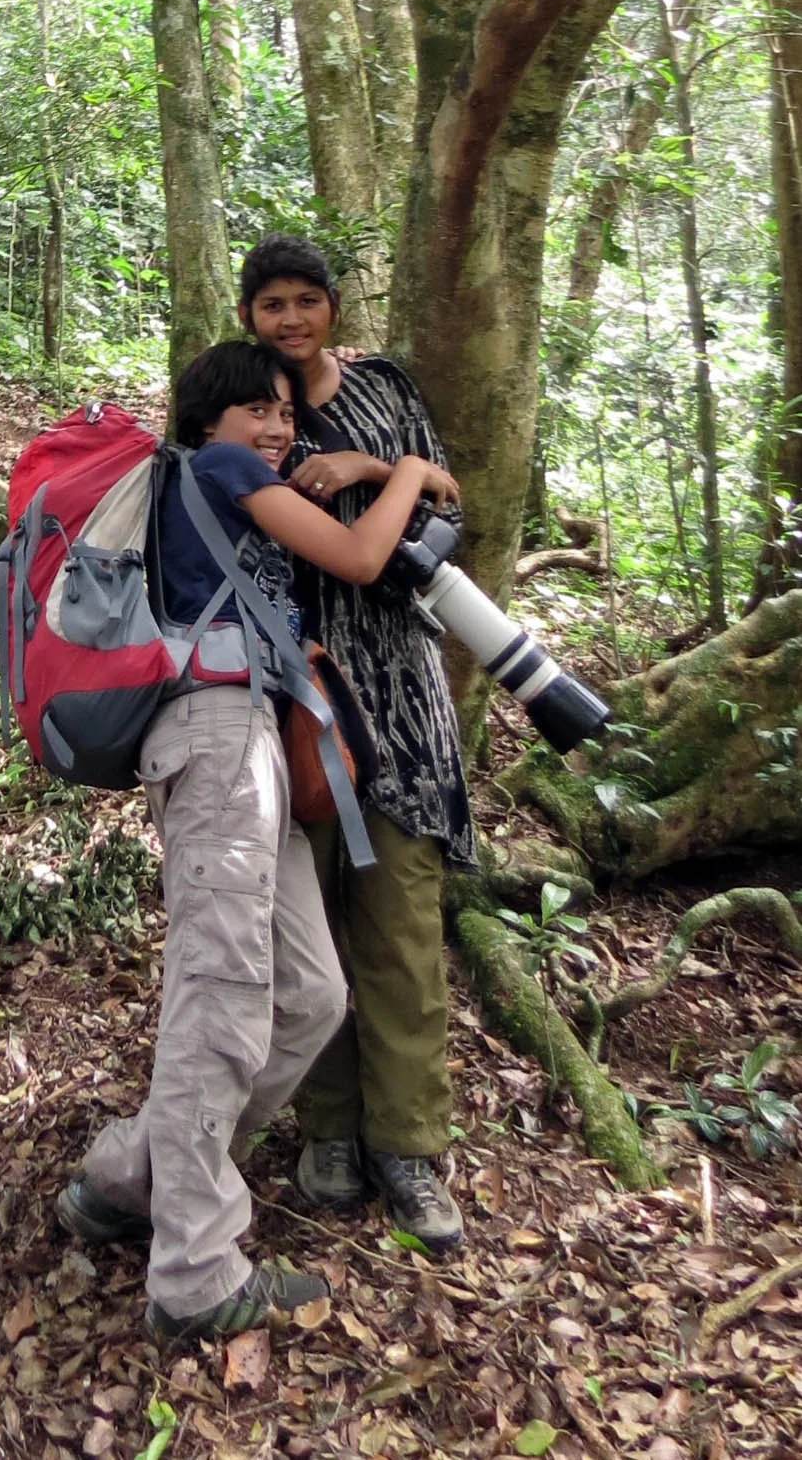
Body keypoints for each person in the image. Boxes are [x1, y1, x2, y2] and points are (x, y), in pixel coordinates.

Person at [56, 339, 457, 1345]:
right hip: (217, 737)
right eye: (256, 411)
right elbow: (363, 559)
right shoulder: (221, 468)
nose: (278, 427)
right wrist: (405, 466)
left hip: (251, 737)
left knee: (312, 992)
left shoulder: (221, 482)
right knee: (224, 989)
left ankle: (128, 1176)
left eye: (286, 411)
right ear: (209, 421)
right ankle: (193, 1274)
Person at [237, 233, 472, 1254]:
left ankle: (410, 1146)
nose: (290, 319)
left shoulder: (383, 387)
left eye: (306, 300)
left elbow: (449, 497)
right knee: (314, 920)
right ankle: (328, 1130)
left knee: (403, 922)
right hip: (298, 695)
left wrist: (375, 463)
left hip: (401, 692)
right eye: (271, 303)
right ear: (248, 315)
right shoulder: (240, 399)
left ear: (334, 305)